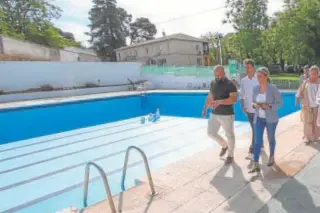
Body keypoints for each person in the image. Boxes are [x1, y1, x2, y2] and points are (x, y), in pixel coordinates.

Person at [202, 65, 238, 165]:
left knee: (230, 135)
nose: (217, 77)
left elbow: (233, 99)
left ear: (224, 73)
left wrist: (219, 102)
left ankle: (230, 155)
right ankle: (224, 145)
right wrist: (205, 108)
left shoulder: (230, 84)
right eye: (216, 75)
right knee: (210, 133)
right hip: (214, 114)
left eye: (219, 75)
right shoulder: (213, 83)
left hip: (227, 114)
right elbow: (210, 96)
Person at [249, 67, 282, 173]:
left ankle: (272, 156)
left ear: (266, 76)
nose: (258, 78)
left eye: (260, 76)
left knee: (271, 139)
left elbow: (280, 103)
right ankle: (255, 163)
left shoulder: (273, 88)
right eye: (257, 76)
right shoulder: (255, 88)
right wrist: (254, 105)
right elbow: (253, 102)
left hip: (271, 119)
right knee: (257, 141)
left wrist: (269, 106)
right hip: (258, 118)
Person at [240, 59, 263, 160]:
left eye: (248, 67)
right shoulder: (243, 80)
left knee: (255, 130)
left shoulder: (258, 79)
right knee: (255, 129)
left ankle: (252, 151)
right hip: (248, 109)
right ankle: (260, 144)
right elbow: (242, 95)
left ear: (253, 68)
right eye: (245, 67)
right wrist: (242, 106)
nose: (247, 69)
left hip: (257, 110)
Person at [296, 65, 320, 144]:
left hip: (317, 105)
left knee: (316, 122)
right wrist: (299, 100)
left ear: (318, 74)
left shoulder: (319, 82)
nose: (313, 75)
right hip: (307, 105)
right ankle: (307, 137)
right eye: (312, 73)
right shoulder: (305, 82)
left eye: (315, 73)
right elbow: (300, 92)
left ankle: (315, 137)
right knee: (307, 122)